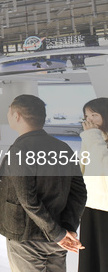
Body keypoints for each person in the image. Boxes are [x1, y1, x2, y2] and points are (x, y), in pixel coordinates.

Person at [0, 94, 87, 272]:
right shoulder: (62, 147)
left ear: (16, 116)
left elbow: (27, 200)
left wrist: (58, 234)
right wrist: (66, 228)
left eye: (9, 112)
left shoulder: (21, 150)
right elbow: (79, 193)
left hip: (27, 237)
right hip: (57, 236)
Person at [77, 97, 108, 272]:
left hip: (105, 208)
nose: (89, 119)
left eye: (94, 114)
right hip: (91, 206)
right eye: (86, 115)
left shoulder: (95, 138)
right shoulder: (95, 138)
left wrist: (92, 137)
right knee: (92, 258)